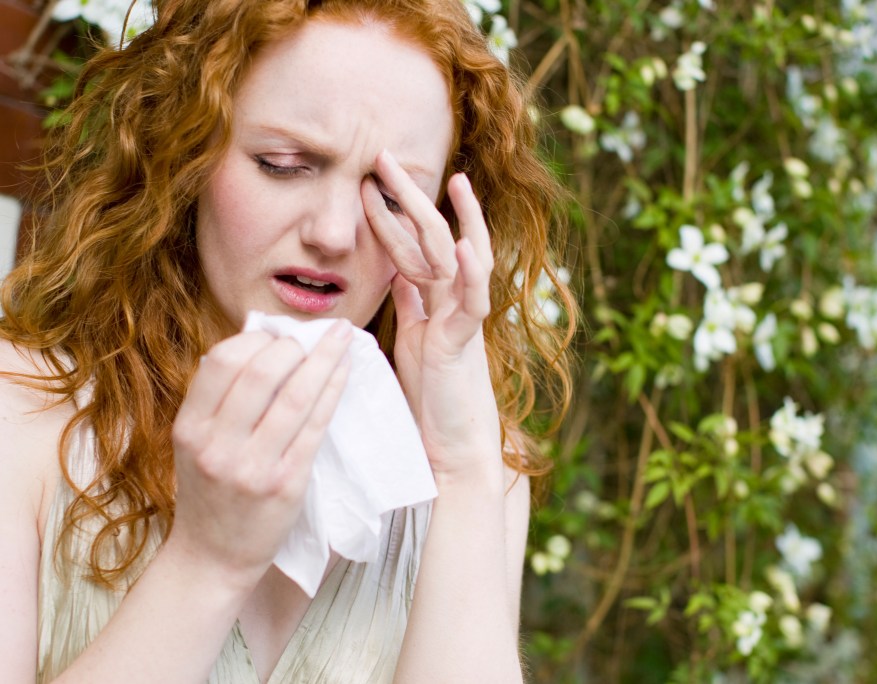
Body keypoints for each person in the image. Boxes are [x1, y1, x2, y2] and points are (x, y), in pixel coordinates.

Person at [0, 0, 575, 682]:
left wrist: (463, 469)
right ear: (186, 152)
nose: (334, 232)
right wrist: (207, 564)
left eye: (392, 195)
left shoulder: (478, 469)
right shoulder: (23, 416)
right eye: (283, 163)